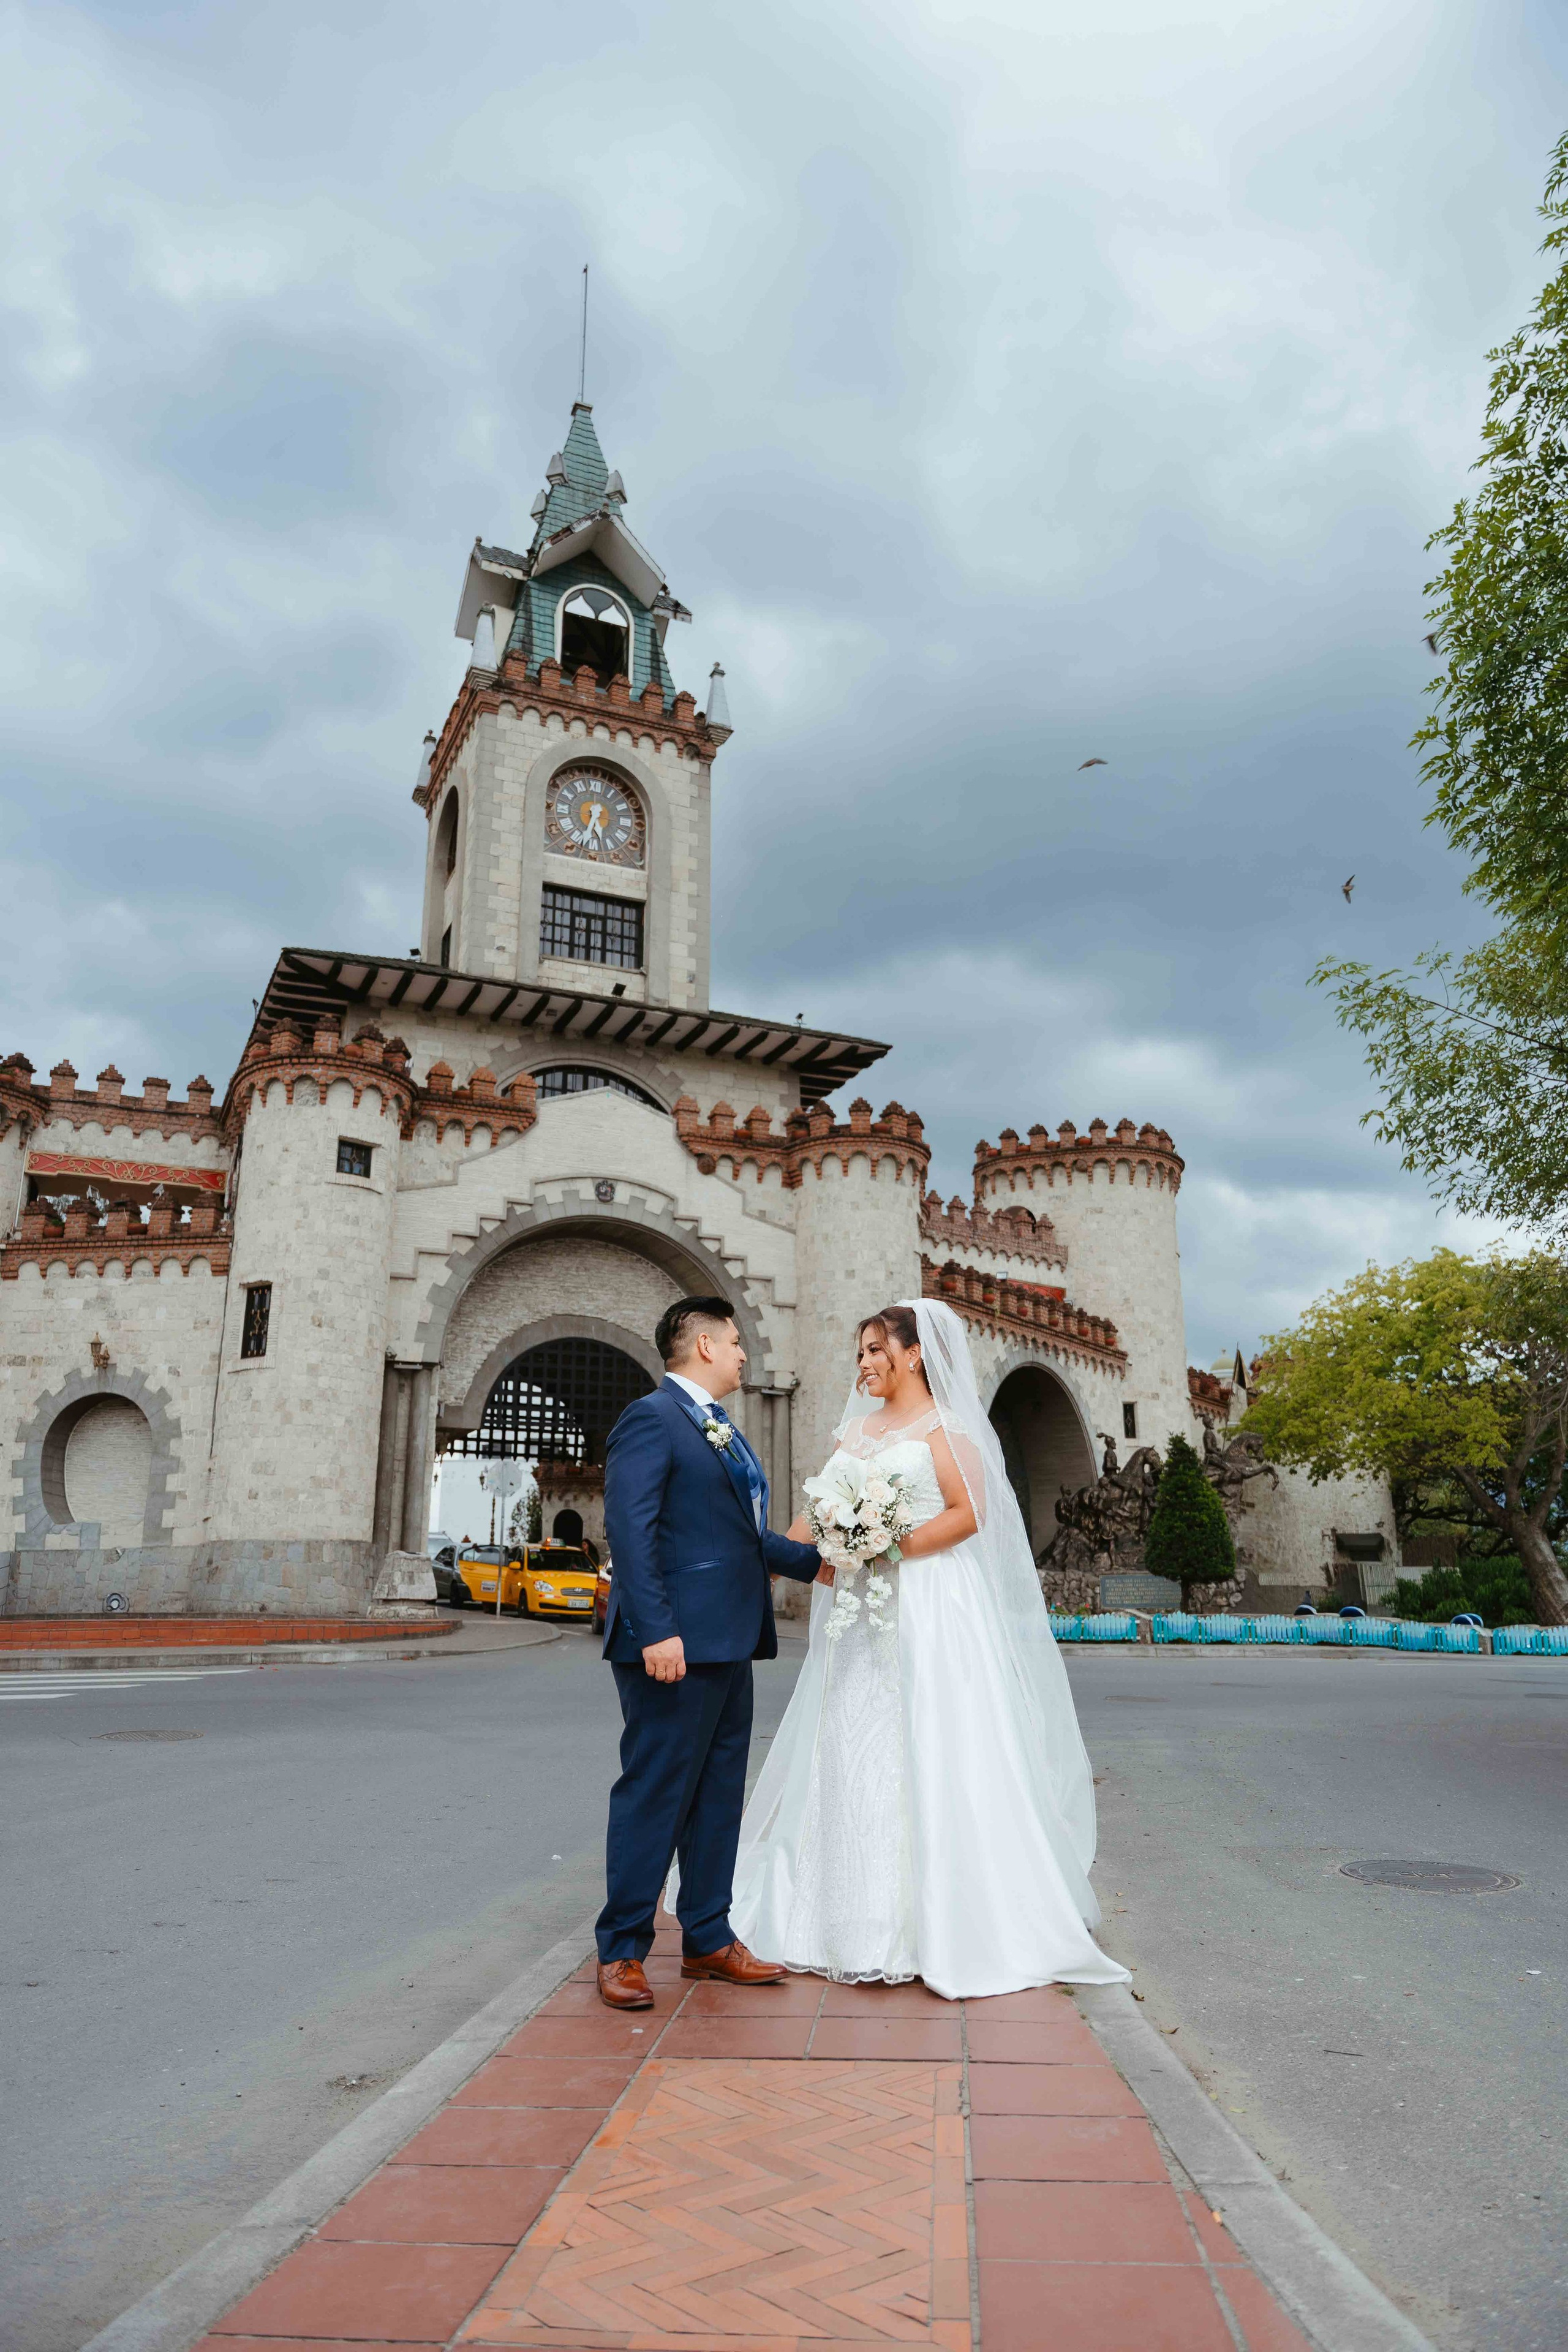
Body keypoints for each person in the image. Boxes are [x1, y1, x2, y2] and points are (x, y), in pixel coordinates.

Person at [729, 1296, 1129, 1999]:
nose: (865, 1364)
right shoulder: (854, 1430)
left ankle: (945, 1919)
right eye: (860, 1353)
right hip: (858, 1612)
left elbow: (968, 1514)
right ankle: (836, 1912)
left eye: (876, 1350)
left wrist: (885, 1546)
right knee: (851, 1737)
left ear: (914, 1354)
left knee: (932, 1736)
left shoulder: (944, 1427)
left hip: (930, 1603)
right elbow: (818, 1505)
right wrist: (774, 1556)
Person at [595, 1295, 821, 2009]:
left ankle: (708, 1939)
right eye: (733, 1342)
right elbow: (630, 1531)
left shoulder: (722, 1428)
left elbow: (737, 1535)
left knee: (719, 1795)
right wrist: (656, 1630)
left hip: (730, 1638)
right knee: (656, 1791)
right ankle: (623, 1950)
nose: (743, 1354)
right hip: (675, 1644)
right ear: (700, 1346)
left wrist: (822, 1561)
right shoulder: (652, 1419)